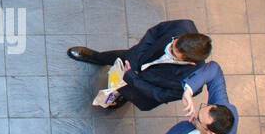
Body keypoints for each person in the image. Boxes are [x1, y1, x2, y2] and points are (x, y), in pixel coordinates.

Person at [67, 20, 212, 111]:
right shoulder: (182, 26)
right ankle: (95, 57)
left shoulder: (193, 82)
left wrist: (132, 79)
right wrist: (135, 56)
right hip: (136, 59)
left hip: (142, 88)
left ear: (190, 62)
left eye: (173, 52)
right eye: (173, 43)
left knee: (126, 92)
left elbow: (160, 94)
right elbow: (154, 33)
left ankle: (119, 98)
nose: (168, 48)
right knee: (113, 57)